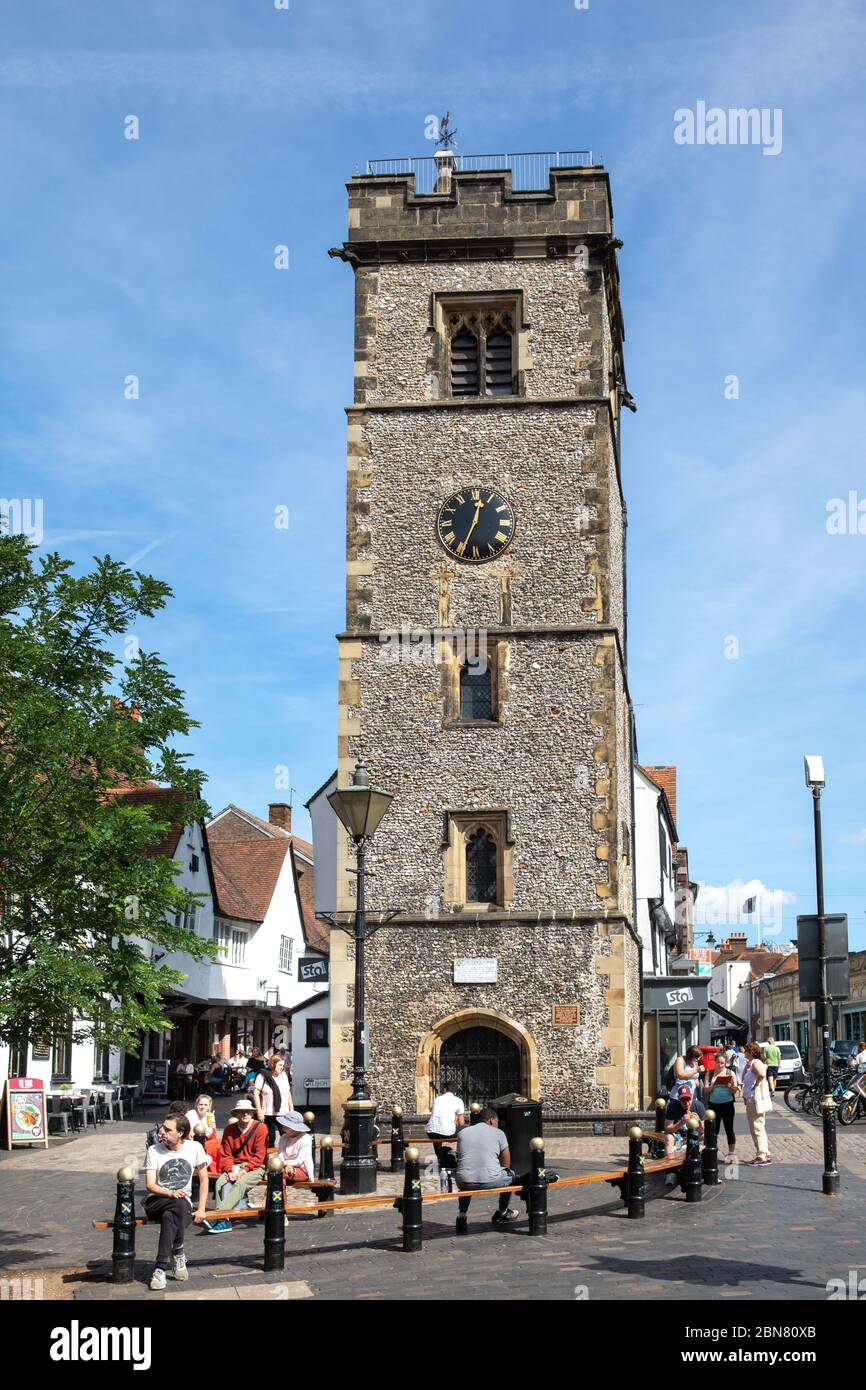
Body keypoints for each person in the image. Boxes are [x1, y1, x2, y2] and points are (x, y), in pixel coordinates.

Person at [144, 1114, 208, 1290]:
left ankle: (160, 1268)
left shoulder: (194, 1148)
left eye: (167, 1129)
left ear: (180, 1133)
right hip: (157, 1200)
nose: (161, 1132)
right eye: (162, 1127)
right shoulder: (154, 1150)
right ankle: (178, 1250)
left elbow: (204, 1180)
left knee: (171, 1214)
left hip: (180, 1203)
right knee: (176, 1204)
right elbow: (150, 1185)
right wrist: (170, 1193)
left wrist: (201, 1208)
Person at [205, 1099, 268, 1233]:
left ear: (252, 1113)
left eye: (248, 1112)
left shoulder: (261, 1128)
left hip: (255, 1167)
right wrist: (228, 1171)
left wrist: (244, 1170)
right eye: (241, 1112)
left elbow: (259, 1155)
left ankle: (219, 1215)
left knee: (240, 1184)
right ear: (236, 1114)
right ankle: (225, 1220)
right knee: (220, 1183)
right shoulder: (229, 1129)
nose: (245, 1114)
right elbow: (226, 1153)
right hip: (234, 1166)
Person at [453, 1107, 517, 1232]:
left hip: (463, 1180)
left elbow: (461, 1157)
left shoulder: (463, 1132)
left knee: (467, 1175)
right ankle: (502, 1211)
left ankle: (462, 1216)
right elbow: (506, 1162)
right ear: (492, 1120)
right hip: (490, 1180)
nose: (498, 1125)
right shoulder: (499, 1133)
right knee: (510, 1175)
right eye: (497, 1122)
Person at [741, 1041, 772, 1165]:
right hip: (753, 1098)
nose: (744, 1052)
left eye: (746, 1050)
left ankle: (761, 1156)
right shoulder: (752, 1063)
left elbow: (761, 1074)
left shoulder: (755, 1063)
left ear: (751, 1052)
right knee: (759, 1125)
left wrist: (755, 1087)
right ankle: (765, 1152)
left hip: (755, 1099)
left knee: (756, 1126)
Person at [705, 1048, 738, 1161]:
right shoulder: (709, 1073)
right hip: (714, 1105)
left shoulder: (730, 1073)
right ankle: (713, 1151)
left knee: (729, 1128)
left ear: (726, 1063)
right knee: (714, 1129)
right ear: (715, 1062)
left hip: (727, 1104)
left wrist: (730, 1086)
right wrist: (712, 1086)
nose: (720, 1065)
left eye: (722, 1063)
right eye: (718, 1062)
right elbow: (706, 1090)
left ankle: (731, 1153)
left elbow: (735, 1090)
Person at [253, 1055, 292, 1145]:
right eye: (280, 1065)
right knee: (270, 1138)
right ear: (273, 1064)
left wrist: (291, 1109)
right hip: (267, 1112)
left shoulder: (283, 1076)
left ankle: (285, 1157)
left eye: (283, 1065)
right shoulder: (263, 1076)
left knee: (286, 1136)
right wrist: (259, 1111)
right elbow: (255, 1093)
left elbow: (288, 1093)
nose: (282, 1068)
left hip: (283, 1112)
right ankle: (269, 1158)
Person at [426, 1086, 465, 1168]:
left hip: (430, 1131)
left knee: (436, 1130)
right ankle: (461, 1157)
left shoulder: (436, 1099)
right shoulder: (458, 1100)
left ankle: (440, 1159)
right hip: (447, 1132)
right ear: (455, 1092)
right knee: (465, 1131)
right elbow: (461, 1123)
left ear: (444, 1089)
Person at [276, 1111, 315, 1192]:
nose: (283, 1126)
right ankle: (277, 1201)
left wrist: (286, 1164)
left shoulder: (305, 1138)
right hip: (284, 1167)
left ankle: (276, 1202)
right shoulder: (284, 1137)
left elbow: (300, 1160)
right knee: (276, 1174)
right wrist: (284, 1165)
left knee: (279, 1174)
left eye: (285, 1125)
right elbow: (280, 1154)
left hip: (302, 1170)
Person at [663, 1083, 705, 1157]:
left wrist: (699, 1121)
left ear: (692, 1097)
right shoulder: (672, 1106)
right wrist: (681, 1122)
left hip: (694, 1135)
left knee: (706, 1136)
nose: (686, 1103)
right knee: (668, 1138)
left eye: (688, 1099)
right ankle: (669, 1164)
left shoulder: (699, 1106)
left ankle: (702, 1161)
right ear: (678, 1098)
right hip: (678, 1137)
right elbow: (667, 1128)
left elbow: (703, 1130)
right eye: (683, 1100)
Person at [185, 1094, 221, 1174]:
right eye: (201, 1104)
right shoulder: (192, 1114)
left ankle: (217, 1171)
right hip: (193, 1141)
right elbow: (190, 1134)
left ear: (209, 1107)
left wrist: (213, 1128)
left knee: (220, 1145)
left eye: (205, 1105)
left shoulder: (210, 1116)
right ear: (196, 1105)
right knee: (215, 1147)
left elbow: (212, 1136)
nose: (203, 1107)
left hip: (207, 1141)